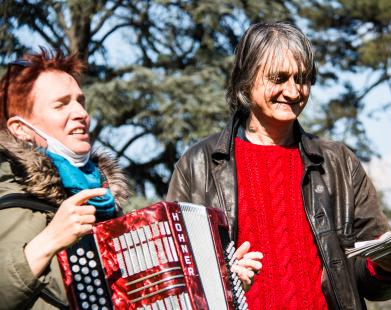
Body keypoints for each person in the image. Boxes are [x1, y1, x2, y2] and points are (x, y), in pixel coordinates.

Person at [167, 21, 391, 309]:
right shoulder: (198, 165)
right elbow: (175, 279)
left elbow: (365, 281)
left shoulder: (339, 164)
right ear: (246, 80)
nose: (294, 91)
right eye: (279, 78)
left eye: (303, 79)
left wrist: (387, 266)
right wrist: (222, 279)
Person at [0, 49, 261, 309]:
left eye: (81, 101)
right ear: (21, 129)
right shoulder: (11, 197)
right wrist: (49, 241)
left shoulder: (102, 199)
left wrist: (224, 282)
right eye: (61, 104)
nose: (82, 113)